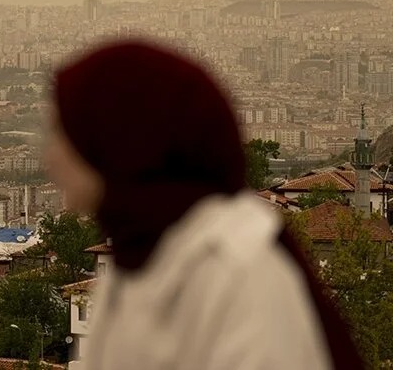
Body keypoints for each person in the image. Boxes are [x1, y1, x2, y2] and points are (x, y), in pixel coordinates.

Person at [46, 38, 363, 369]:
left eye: (65, 134)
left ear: (118, 143)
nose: (50, 158)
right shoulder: (138, 261)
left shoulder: (237, 270)